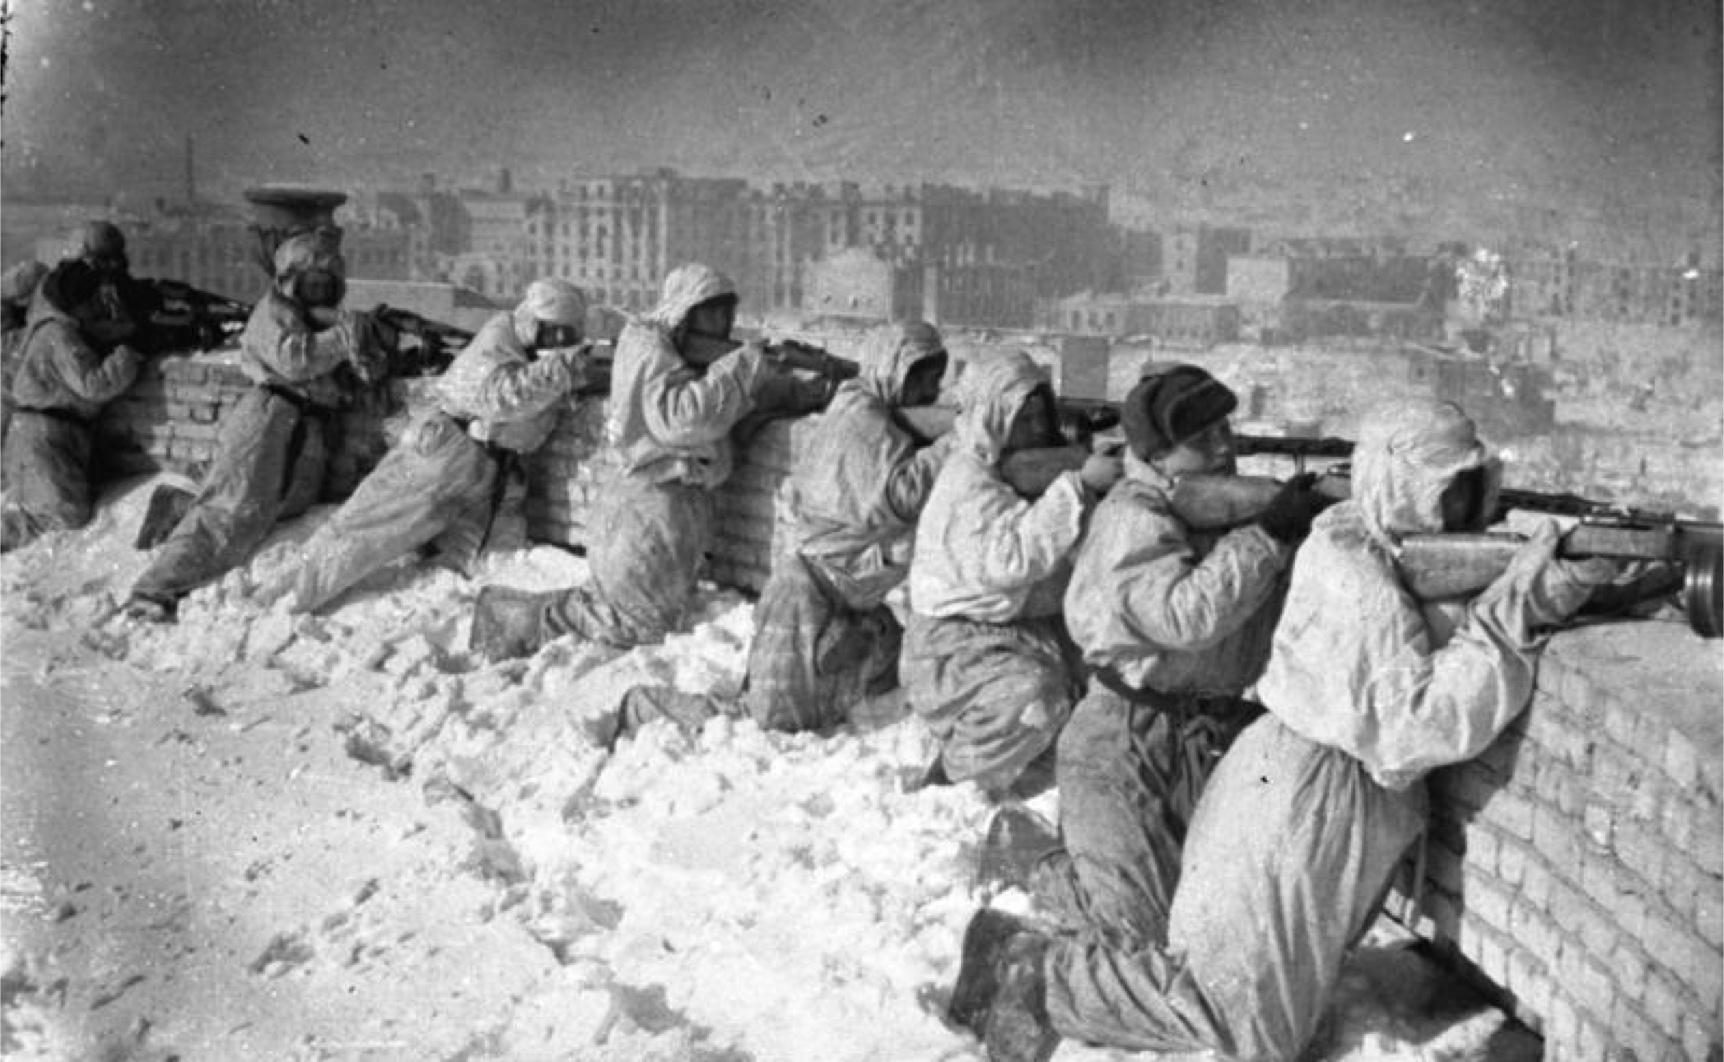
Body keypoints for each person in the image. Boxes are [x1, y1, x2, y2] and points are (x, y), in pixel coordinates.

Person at [946, 398, 1618, 1062]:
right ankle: (1036, 973)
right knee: (1239, 1022)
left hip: (1285, 771)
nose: (1467, 508)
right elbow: (1415, 723)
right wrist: (1516, 613)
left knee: (1242, 1001)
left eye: (1474, 488)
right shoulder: (1348, 563)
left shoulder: (1361, 542)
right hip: (1308, 791)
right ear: (1402, 486)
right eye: (1451, 491)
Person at [975, 364, 1332, 947]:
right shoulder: (1133, 517)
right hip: (1123, 739)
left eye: (1225, 431)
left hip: (1197, 732)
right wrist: (1268, 535)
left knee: (1212, 918)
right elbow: (1186, 616)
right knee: (1134, 929)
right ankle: (1029, 858)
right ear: (1158, 456)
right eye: (1201, 440)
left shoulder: (1211, 509)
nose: (1223, 448)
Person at [587, 319, 954, 747]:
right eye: (920, 377)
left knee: (854, 705)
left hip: (851, 601)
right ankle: (645, 709)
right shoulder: (860, 421)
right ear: (894, 370)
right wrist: (958, 440)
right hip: (803, 604)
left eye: (935, 378)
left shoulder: (874, 416)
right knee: (760, 725)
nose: (930, 390)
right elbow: (903, 494)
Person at [468, 263, 777, 659]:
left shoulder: (670, 351)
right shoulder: (648, 345)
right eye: (711, 311)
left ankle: (511, 618)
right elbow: (680, 420)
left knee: (624, 618)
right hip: (646, 508)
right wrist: (742, 368)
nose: (721, 322)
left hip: (663, 508)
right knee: (629, 625)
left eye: (726, 312)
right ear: (688, 309)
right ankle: (503, 616)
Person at [263, 279, 593, 613]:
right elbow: (499, 398)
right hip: (445, 452)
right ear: (535, 323)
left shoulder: (530, 350)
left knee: (479, 562)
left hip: (492, 471)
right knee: (367, 528)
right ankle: (291, 593)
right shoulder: (499, 336)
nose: (558, 344)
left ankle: (434, 613)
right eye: (556, 334)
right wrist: (560, 370)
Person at [124, 234, 391, 622]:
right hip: (269, 419)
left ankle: (180, 508)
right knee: (228, 517)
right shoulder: (274, 313)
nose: (321, 290)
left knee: (275, 514)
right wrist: (343, 336)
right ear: (289, 280)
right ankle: (154, 589)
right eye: (312, 281)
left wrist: (369, 350)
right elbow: (296, 361)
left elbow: (351, 373)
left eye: (328, 283)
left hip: (304, 428)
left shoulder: (314, 318)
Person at [901, 350, 1121, 800]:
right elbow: (1014, 559)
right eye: (1024, 419)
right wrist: (1077, 486)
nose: (1037, 430)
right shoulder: (969, 480)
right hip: (953, 648)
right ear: (994, 419)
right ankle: (952, 781)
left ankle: (1030, 781)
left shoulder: (996, 472)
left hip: (1013, 630)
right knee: (1032, 697)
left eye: (1043, 417)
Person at [0, 260, 142, 551]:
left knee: (51, 511)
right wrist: (126, 356)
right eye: (91, 301)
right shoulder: (59, 335)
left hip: (36, 434)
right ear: (77, 303)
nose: (96, 307)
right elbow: (93, 385)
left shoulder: (56, 329)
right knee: (64, 515)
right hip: (42, 437)